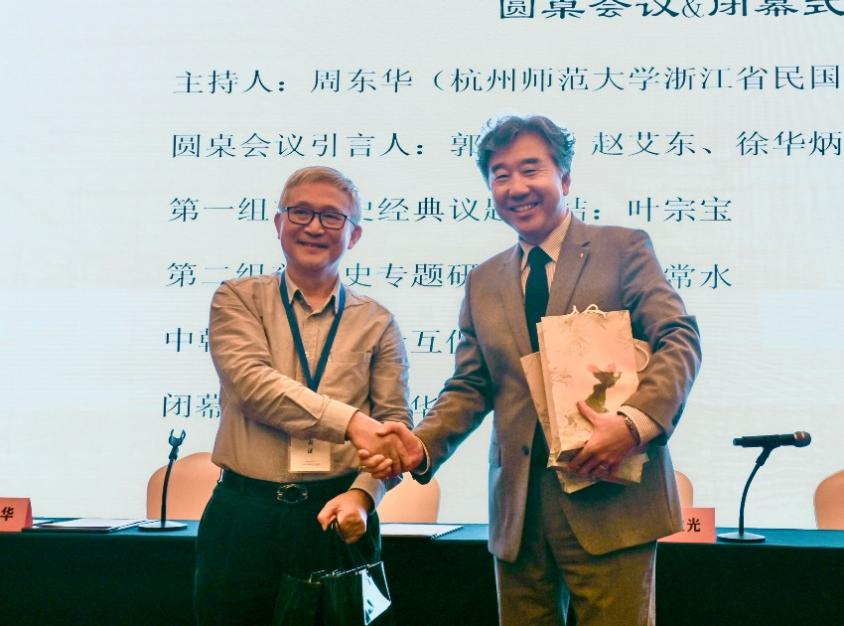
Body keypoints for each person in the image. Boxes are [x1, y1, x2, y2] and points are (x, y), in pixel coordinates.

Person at [362, 115, 702, 625]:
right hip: (519, 511)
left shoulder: (623, 248)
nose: (516, 187)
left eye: (530, 169)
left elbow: (678, 338)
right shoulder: (484, 280)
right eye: (500, 175)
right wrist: (423, 444)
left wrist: (634, 424)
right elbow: (471, 386)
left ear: (565, 178)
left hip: (611, 498)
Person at [194, 166, 413, 625]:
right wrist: (352, 424)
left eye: (332, 217)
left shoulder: (378, 322)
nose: (314, 227)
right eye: (301, 212)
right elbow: (252, 385)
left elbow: (393, 428)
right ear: (278, 223)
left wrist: (363, 496)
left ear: (354, 235)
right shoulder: (237, 299)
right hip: (244, 515)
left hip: (337, 515)